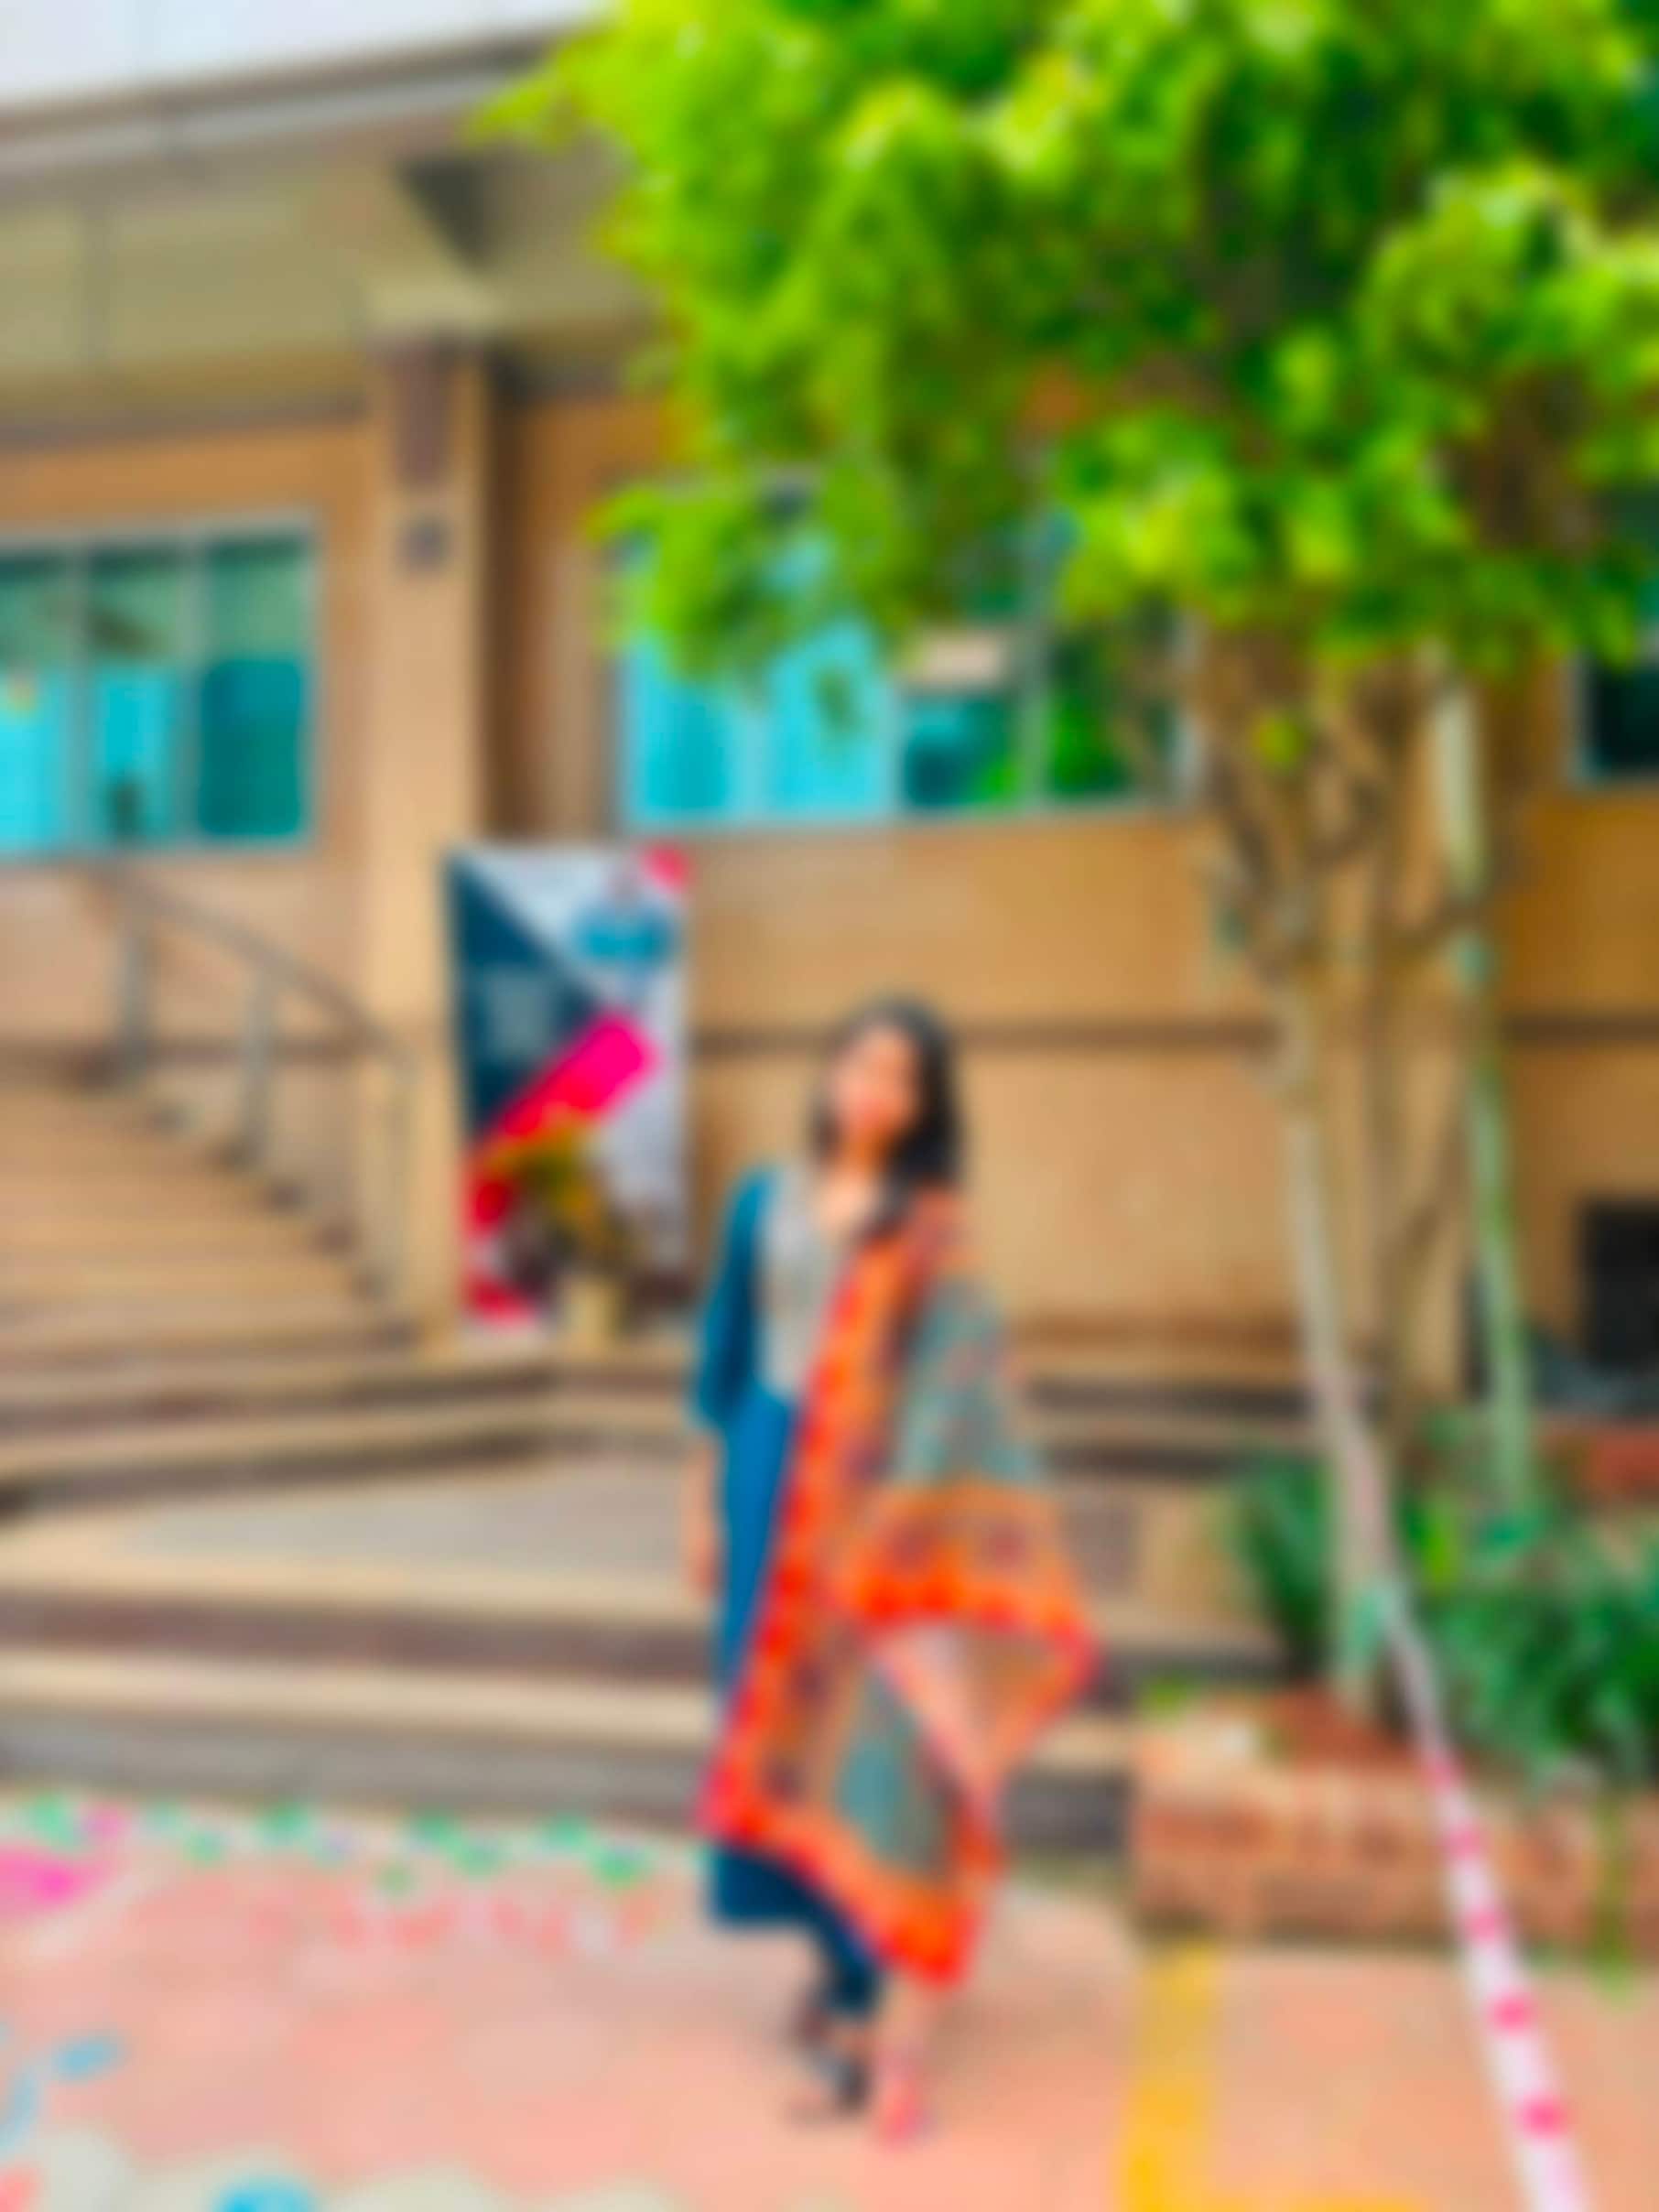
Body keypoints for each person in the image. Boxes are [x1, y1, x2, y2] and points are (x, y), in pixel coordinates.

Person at [683, 997, 1093, 2141]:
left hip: (867, 1514)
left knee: (865, 1745)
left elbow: (961, 1386)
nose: (875, 1087)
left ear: (924, 1106)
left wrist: (907, 1521)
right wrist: (702, 1508)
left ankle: (865, 2017)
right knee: (768, 1718)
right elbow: (721, 1360)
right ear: (829, 1071)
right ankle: (831, 1959)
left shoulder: (928, 1227)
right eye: (861, 1062)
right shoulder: (761, 1200)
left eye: (903, 1076)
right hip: (763, 1478)